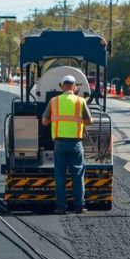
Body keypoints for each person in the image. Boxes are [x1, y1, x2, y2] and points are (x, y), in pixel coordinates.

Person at [41, 74, 93, 214]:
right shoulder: (80, 101)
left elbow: (44, 122)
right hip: (76, 144)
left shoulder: (54, 101)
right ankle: (79, 206)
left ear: (62, 86)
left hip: (59, 144)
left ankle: (61, 207)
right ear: (75, 87)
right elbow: (89, 121)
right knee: (77, 175)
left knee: (60, 176)